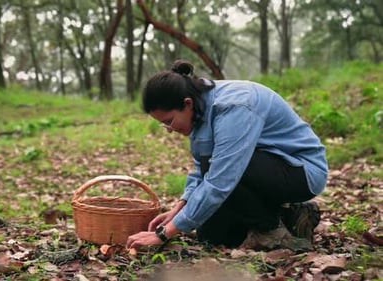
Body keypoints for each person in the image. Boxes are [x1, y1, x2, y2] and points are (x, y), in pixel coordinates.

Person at [126, 60, 328, 251]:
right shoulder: (199, 110)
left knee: (219, 174)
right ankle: (292, 215)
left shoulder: (234, 106)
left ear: (187, 104)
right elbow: (201, 170)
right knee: (212, 234)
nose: (169, 129)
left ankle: (271, 229)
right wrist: (178, 210)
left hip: (300, 171)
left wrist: (163, 234)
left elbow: (221, 179)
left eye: (169, 121)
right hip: (259, 169)